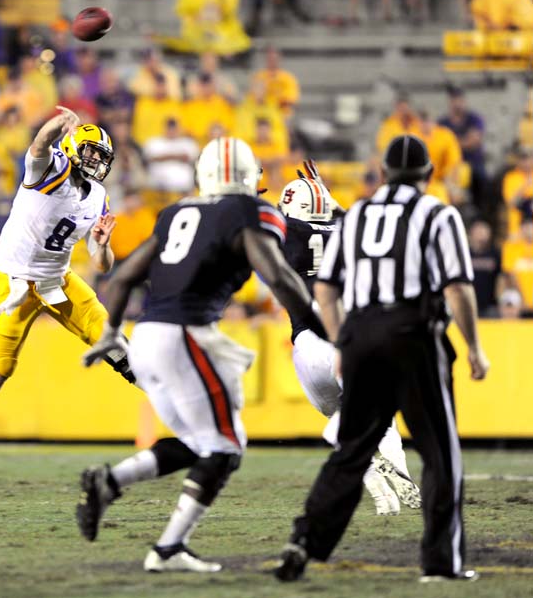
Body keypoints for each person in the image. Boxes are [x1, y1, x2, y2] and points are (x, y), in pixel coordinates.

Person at [79, 137, 313, 572]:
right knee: (226, 448)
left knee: (199, 443)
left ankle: (111, 484)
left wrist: (111, 333)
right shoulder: (247, 212)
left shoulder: (177, 212)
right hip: (185, 335)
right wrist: (316, 325)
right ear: (248, 176)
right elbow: (278, 276)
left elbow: (124, 276)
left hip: (146, 335)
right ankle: (168, 549)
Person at [275, 134, 489, 583]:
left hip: (361, 337)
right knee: (440, 454)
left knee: (350, 451)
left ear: (385, 174)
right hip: (415, 337)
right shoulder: (437, 213)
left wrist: (342, 341)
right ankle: (440, 564)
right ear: (429, 176)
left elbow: (326, 290)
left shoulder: (358, 217)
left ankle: (304, 541)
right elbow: (458, 287)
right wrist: (473, 346)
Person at [0, 107, 135, 502]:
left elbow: (101, 262)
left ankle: (189, 427)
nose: (97, 162)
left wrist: (105, 243)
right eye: (91, 152)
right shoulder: (50, 169)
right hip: (17, 283)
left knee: (118, 344)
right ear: (75, 147)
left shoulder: (97, 196)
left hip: (59, 278)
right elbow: (39, 144)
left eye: (102, 157)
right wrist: (59, 124)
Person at [278, 164, 420, 516]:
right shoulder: (349, 226)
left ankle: (382, 498)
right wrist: (323, 193)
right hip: (345, 339)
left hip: (306, 349)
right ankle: (396, 465)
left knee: (350, 420)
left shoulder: (284, 229)